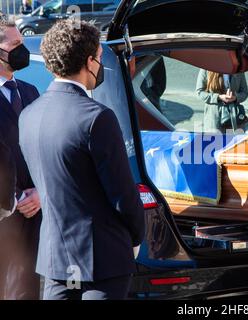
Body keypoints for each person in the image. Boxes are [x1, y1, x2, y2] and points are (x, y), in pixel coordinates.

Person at [18, 19, 145, 300]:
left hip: (56, 260)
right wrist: (136, 238)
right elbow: (123, 195)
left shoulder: (28, 115)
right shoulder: (96, 117)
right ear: (89, 61)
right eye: (100, 58)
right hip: (101, 260)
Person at [0, 17, 41, 300]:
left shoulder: (30, 92)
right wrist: (14, 198)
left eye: (23, 44)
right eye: (15, 45)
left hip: (35, 218)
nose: (21, 51)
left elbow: (43, 151)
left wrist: (41, 192)